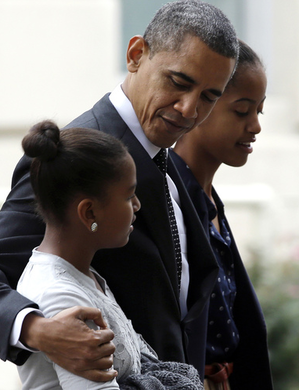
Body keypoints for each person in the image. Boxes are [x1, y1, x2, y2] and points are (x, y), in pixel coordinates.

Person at [0, 0, 239, 382]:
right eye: (179, 82)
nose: (189, 109)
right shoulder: (71, 160)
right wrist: (35, 329)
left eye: (210, 96)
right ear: (136, 55)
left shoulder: (169, 161)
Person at [16, 120, 203, 390]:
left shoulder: (85, 275)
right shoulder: (60, 295)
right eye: (128, 196)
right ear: (89, 212)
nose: (137, 205)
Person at [171, 40, 273, 389]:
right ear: (204, 103)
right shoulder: (165, 196)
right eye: (242, 111)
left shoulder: (211, 199)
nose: (255, 126)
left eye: (260, 111)